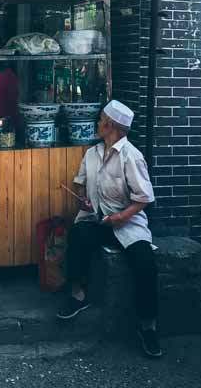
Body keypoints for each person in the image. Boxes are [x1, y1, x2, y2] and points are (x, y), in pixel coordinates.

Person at [57, 99, 162, 359]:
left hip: (127, 224)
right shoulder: (91, 154)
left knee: (145, 262)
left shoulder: (131, 156)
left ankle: (147, 325)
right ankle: (78, 295)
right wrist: (83, 200)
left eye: (101, 119)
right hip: (96, 220)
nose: (97, 123)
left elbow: (144, 199)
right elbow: (80, 185)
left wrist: (120, 217)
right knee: (79, 235)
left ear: (111, 126)